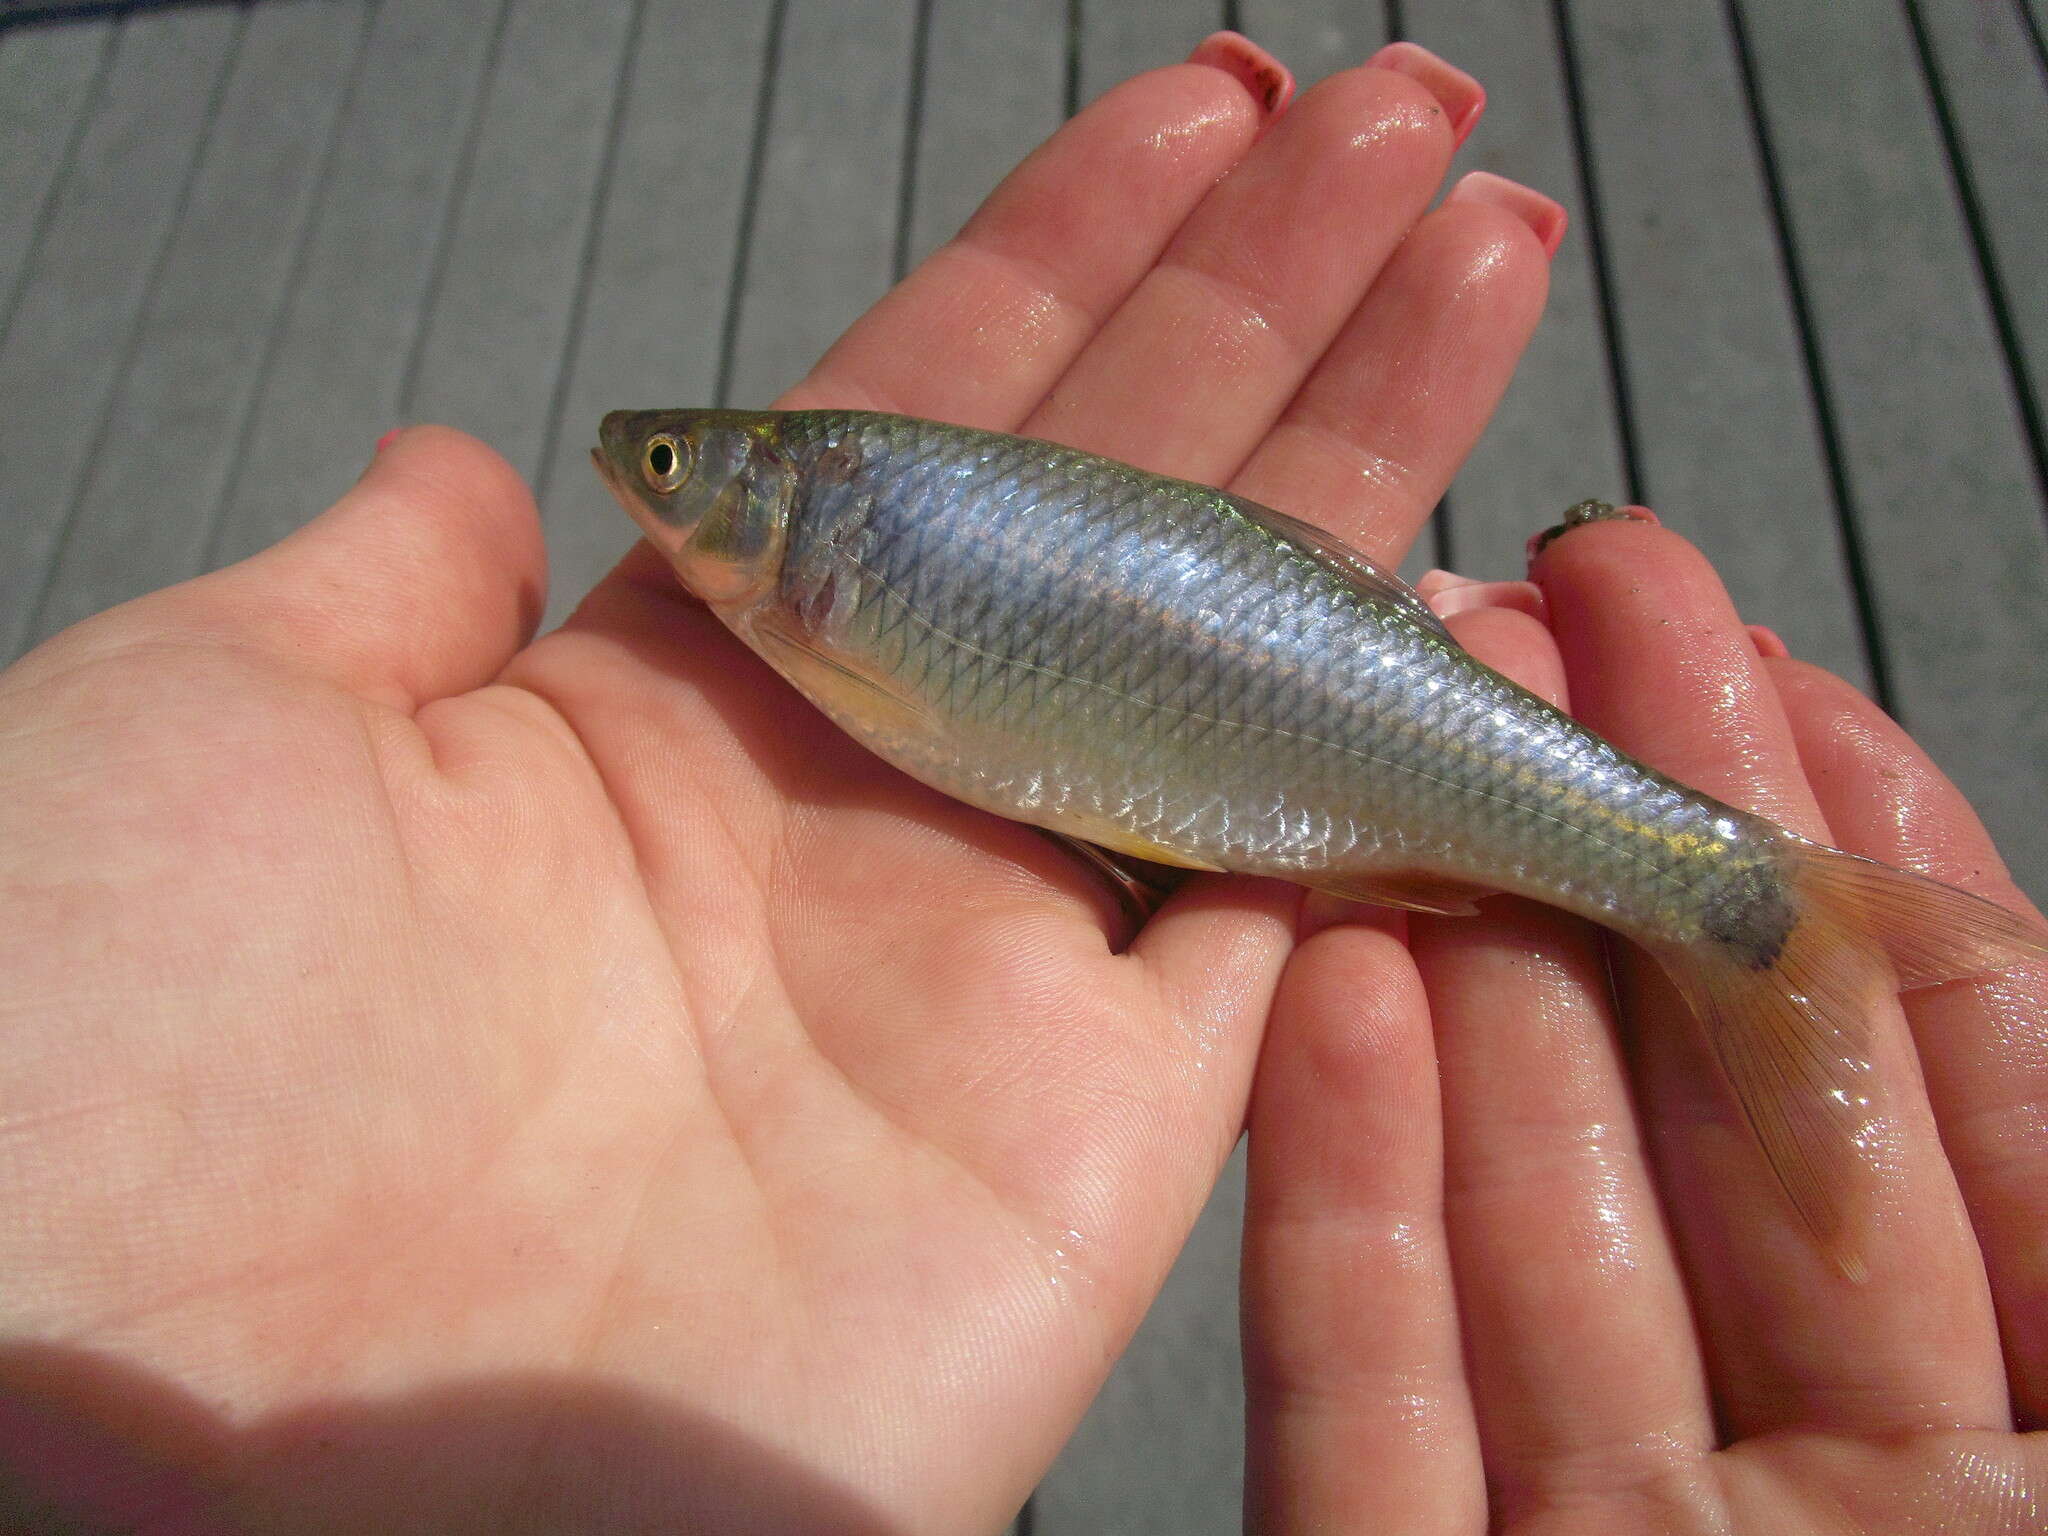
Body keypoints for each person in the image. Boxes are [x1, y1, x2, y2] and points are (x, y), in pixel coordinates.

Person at [2, 33, 2041, 1535]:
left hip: (1286, 711)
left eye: (675, 480)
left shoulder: (821, 555)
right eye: (665, 479)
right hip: (1284, 712)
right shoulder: (797, 567)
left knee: (1662, 871)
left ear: (771, 505)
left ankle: (1733, 901)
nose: (650, 500)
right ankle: (1723, 897)